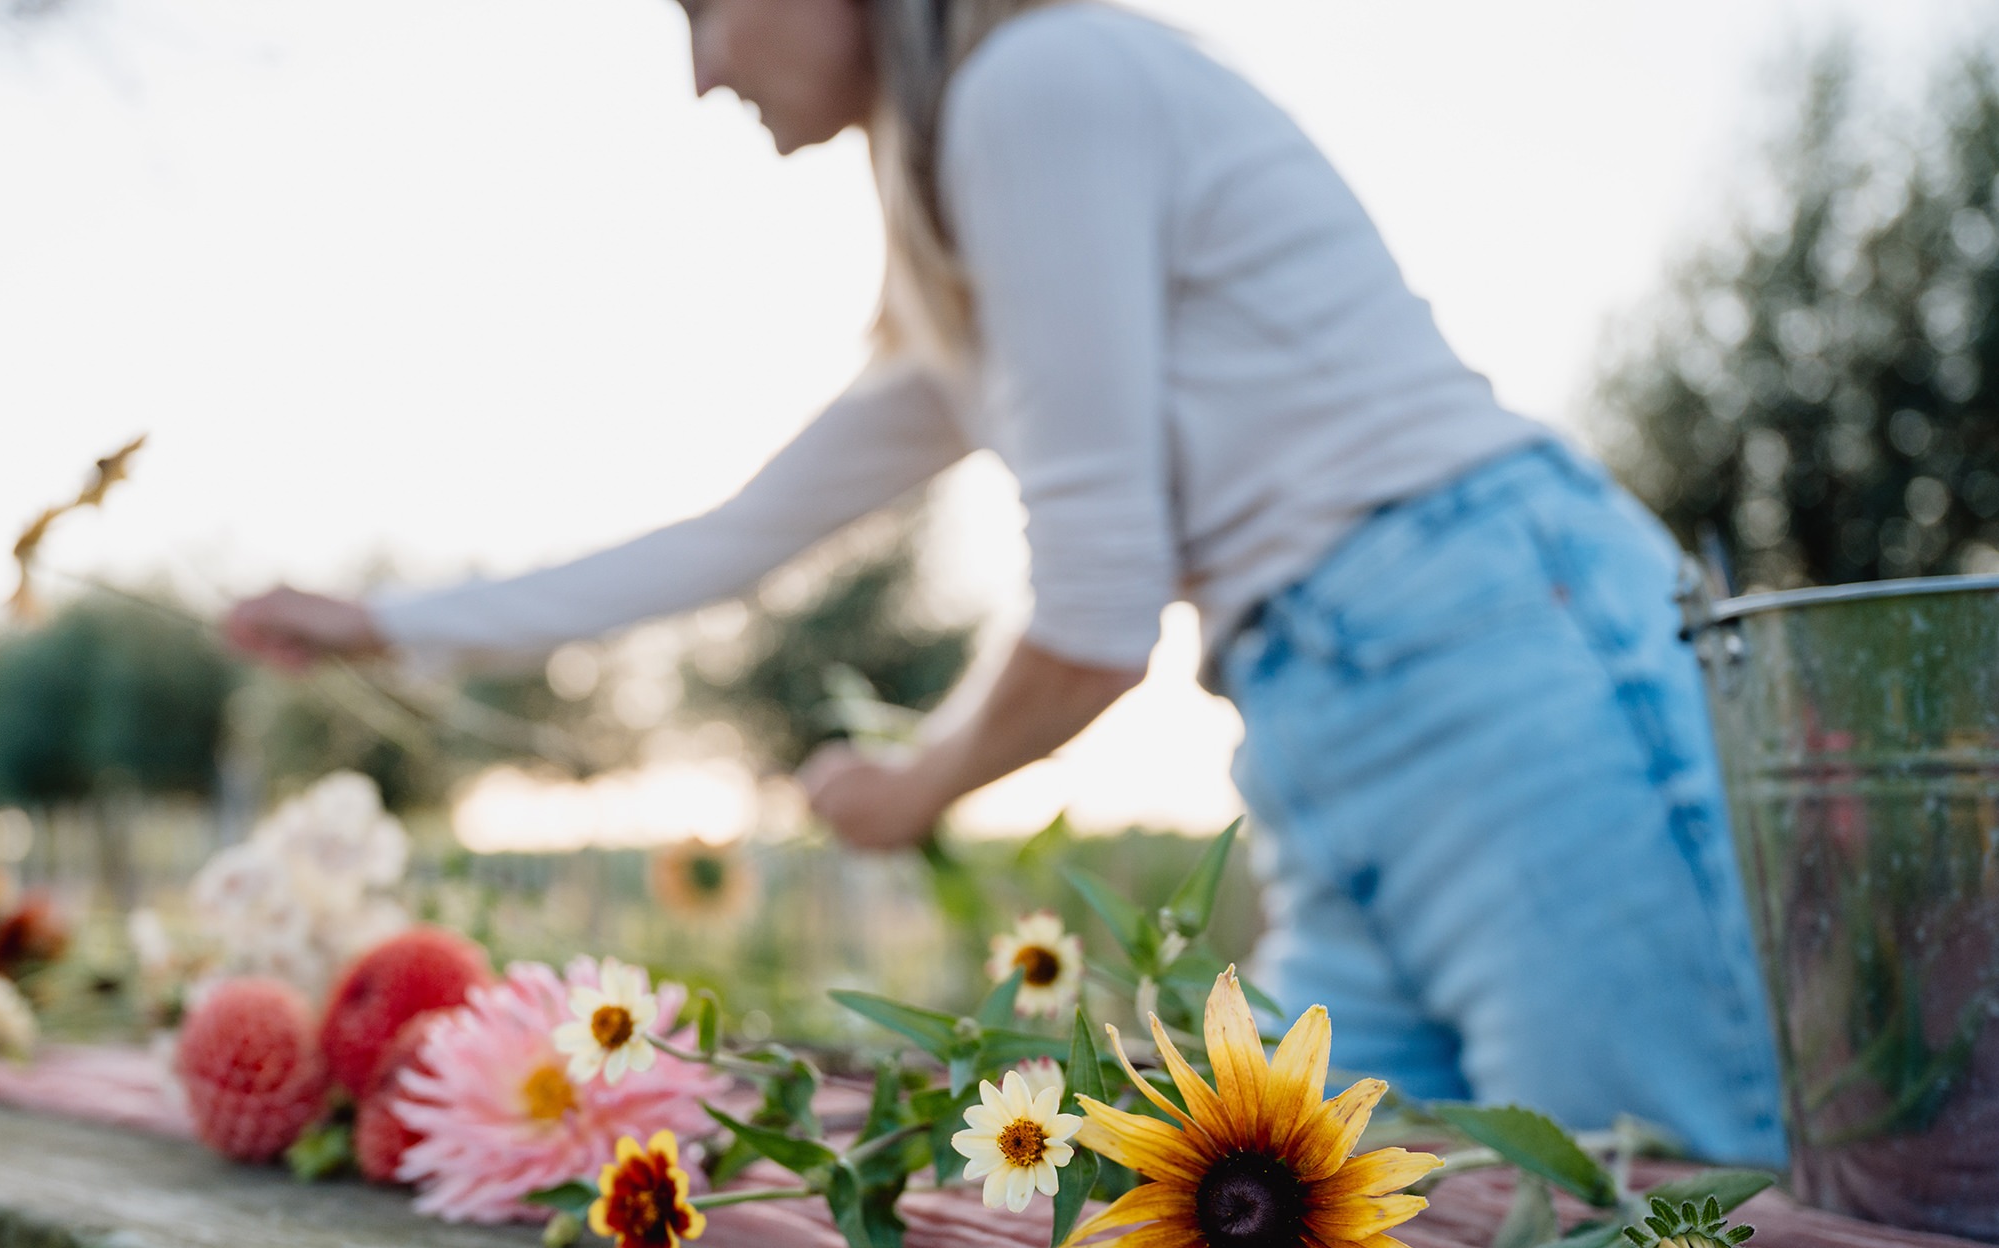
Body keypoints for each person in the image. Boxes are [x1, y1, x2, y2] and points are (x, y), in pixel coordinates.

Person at [225, 0, 1785, 1165]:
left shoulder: (1039, 86)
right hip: (1325, 718)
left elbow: (1096, 615)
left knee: (1664, 1226)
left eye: (704, 3)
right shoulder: (976, 251)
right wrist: (382, 627)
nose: (701, 67)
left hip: (1498, 657)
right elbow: (730, 539)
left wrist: (916, 784)